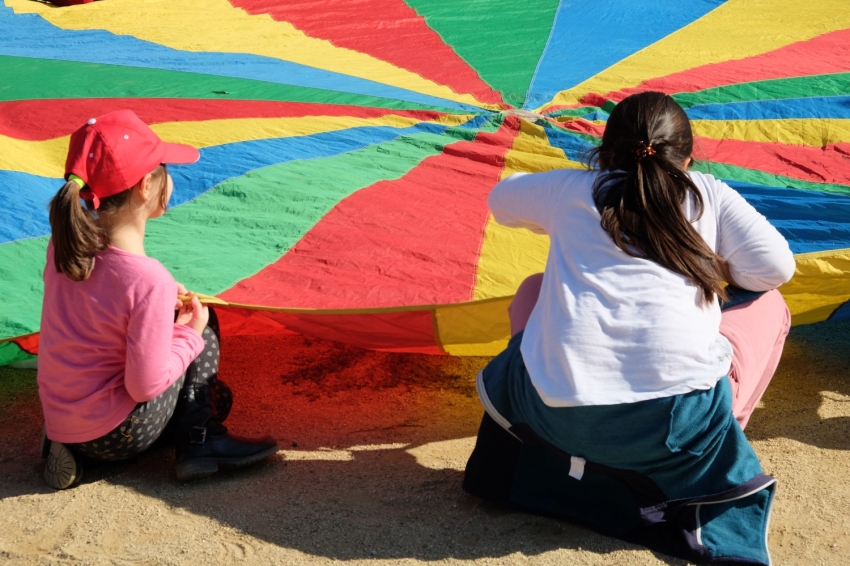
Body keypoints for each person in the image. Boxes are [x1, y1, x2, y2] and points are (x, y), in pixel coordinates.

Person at [463, 92, 795, 564]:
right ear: (688, 159)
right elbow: (775, 268)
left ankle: (564, 458)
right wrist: (714, 270)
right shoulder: (706, 193)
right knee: (770, 303)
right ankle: (715, 441)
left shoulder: (572, 189)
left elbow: (502, 200)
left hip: (551, 420)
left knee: (536, 287)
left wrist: (565, 200)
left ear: (604, 150)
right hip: (670, 432)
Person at [38, 110, 279, 489]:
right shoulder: (149, 280)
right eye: (163, 167)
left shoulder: (64, 248)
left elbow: (104, 300)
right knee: (206, 329)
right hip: (115, 437)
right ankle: (200, 441)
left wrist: (161, 301)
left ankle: (64, 444)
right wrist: (189, 334)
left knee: (212, 387)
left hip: (64, 419)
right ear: (147, 186)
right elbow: (144, 387)